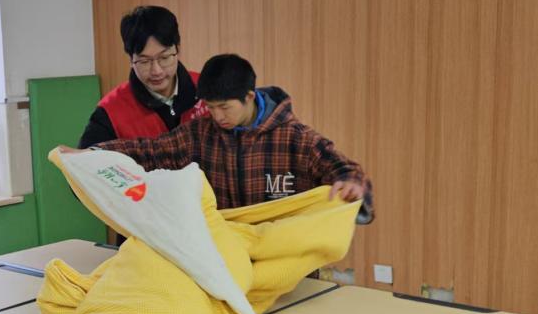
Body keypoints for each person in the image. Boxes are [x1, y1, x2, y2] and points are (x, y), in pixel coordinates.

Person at [68, 53, 374, 218]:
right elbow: (151, 150)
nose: (217, 116)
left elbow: (344, 169)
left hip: (290, 269)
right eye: (211, 107)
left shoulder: (296, 139)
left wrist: (351, 185)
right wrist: (95, 154)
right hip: (228, 260)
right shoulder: (201, 134)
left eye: (224, 107)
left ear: (249, 97)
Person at [78, 6, 209, 148]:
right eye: (144, 61)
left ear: (178, 49)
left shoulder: (208, 87)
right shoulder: (110, 111)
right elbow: (87, 158)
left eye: (164, 57)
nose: (156, 71)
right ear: (131, 59)